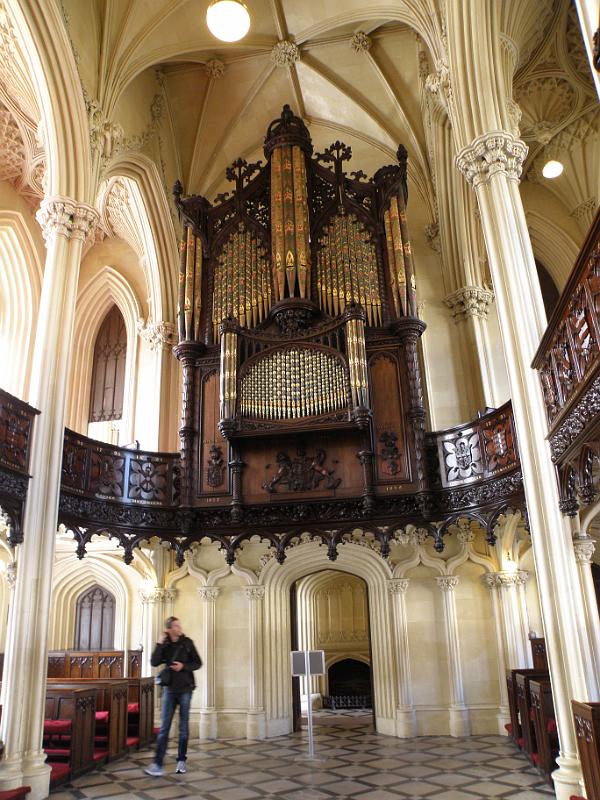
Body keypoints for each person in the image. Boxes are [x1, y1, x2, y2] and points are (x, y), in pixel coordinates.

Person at [144, 616, 202, 776]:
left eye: (179, 625)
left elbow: (198, 663)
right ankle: (157, 764)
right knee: (164, 728)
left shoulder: (187, 643)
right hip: (169, 690)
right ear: (169, 629)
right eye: (176, 625)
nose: (179, 627)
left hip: (185, 689)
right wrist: (159, 643)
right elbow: (154, 662)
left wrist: (184, 666)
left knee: (183, 727)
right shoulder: (166, 644)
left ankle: (181, 760)